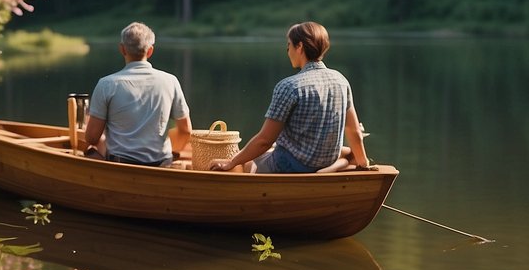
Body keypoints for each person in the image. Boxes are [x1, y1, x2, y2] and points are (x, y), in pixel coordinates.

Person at [209, 21, 371, 173]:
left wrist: (231, 162)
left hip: (292, 165)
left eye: (289, 45)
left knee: (248, 162)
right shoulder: (341, 80)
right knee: (268, 149)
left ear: (299, 47)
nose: (288, 51)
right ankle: (337, 166)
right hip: (327, 161)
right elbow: (354, 130)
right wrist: (363, 164)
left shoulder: (289, 86)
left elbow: (264, 140)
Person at [82, 21, 192, 166]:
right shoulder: (170, 81)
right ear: (150, 51)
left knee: (91, 149)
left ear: (122, 49)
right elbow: (185, 130)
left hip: (121, 164)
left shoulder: (106, 84)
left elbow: (92, 138)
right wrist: (171, 153)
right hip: (162, 163)